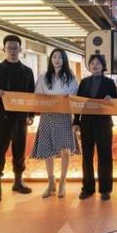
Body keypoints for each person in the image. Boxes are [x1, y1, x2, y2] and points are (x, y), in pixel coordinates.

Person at [0, 34, 35, 204]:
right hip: (2, 118)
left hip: (20, 118)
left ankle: (18, 182)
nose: (12, 51)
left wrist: (31, 114)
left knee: (19, 150)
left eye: (15, 48)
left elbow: (31, 95)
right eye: (9, 48)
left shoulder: (27, 72)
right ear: (3, 49)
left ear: (20, 50)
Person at [30, 48, 79, 199]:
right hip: (47, 115)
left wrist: (68, 98)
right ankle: (51, 182)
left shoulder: (71, 78)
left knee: (65, 149)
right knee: (47, 149)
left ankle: (63, 182)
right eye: (54, 57)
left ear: (64, 60)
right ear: (51, 60)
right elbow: (37, 96)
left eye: (60, 57)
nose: (57, 60)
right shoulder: (43, 77)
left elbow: (76, 97)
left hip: (64, 115)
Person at [73, 54, 117, 201]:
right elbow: (78, 103)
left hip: (104, 123)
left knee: (105, 156)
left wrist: (111, 99)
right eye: (92, 63)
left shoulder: (109, 82)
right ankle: (88, 188)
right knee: (87, 157)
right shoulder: (84, 82)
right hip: (86, 124)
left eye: (98, 63)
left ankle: (105, 189)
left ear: (103, 65)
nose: (95, 66)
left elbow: (116, 102)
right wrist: (76, 121)